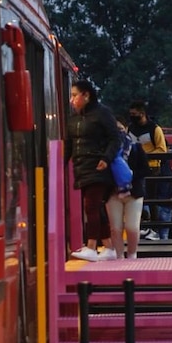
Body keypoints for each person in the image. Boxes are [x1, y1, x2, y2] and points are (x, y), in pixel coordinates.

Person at [64, 80, 119, 262]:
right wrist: (61, 165)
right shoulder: (73, 119)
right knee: (95, 207)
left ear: (86, 95)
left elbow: (115, 138)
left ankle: (91, 246)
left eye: (74, 95)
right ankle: (109, 247)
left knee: (91, 206)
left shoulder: (102, 113)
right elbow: (69, 145)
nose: (71, 99)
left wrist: (106, 158)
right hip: (81, 167)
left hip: (98, 167)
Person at [106, 119, 150, 259]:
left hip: (134, 193)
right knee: (115, 228)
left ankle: (132, 254)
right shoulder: (106, 151)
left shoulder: (136, 148)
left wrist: (131, 174)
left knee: (132, 227)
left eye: (120, 129)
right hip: (113, 193)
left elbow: (145, 170)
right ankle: (119, 256)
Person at [127, 100, 167, 240]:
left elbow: (162, 149)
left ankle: (153, 228)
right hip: (133, 168)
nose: (132, 116)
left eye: (134, 114)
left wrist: (145, 157)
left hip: (152, 167)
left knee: (151, 198)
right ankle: (140, 226)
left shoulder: (154, 129)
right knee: (135, 197)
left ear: (142, 114)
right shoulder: (130, 128)